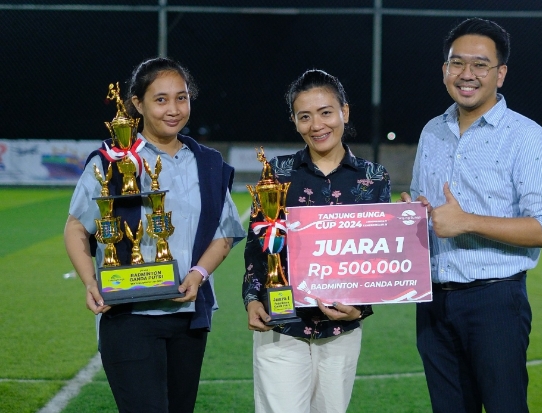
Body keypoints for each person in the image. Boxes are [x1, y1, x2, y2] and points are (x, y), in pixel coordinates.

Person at [64, 57, 245, 413]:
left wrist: (199, 274)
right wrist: (90, 282)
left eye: (182, 98)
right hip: (127, 316)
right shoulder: (111, 160)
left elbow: (224, 233)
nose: (173, 109)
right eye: (161, 99)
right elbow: (75, 227)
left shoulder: (208, 162)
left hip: (188, 315)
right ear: (138, 104)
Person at [401, 18, 542, 413]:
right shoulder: (432, 131)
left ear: (500, 74)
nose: (466, 74)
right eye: (457, 63)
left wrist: (467, 221)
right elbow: (431, 208)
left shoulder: (525, 135)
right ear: (445, 70)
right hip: (433, 302)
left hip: (495, 302)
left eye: (480, 65)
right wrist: (412, 216)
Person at [242, 69, 391, 413]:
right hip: (281, 322)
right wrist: (252, 298)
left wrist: (362, 307)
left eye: (326, 112)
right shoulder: (276, 173)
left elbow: (379, 256)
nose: (317, 125)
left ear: (345, 113)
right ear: (295, 122)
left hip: (341, 328)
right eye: (304, 116)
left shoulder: (374, 178)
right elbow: (256, 245)